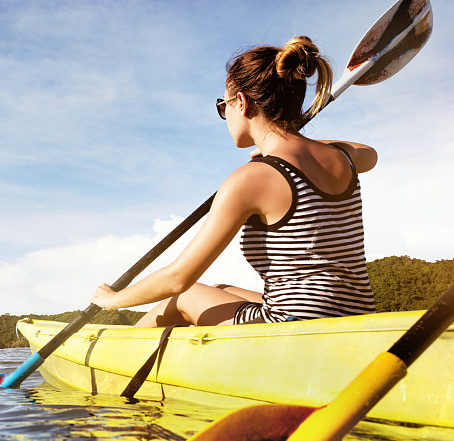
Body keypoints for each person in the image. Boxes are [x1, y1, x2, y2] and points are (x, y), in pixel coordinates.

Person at [90, 36, 377, 328]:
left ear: (241, 102)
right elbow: (370, 154)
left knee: (183, 297)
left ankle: (115, 362)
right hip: (356, 315)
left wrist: (114, 299)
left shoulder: (251, 179)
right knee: (222, 290)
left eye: (222, 105)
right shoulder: (342, 158)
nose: (224, 114)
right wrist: (291, 144)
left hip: (296, 324)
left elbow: (179, 279)